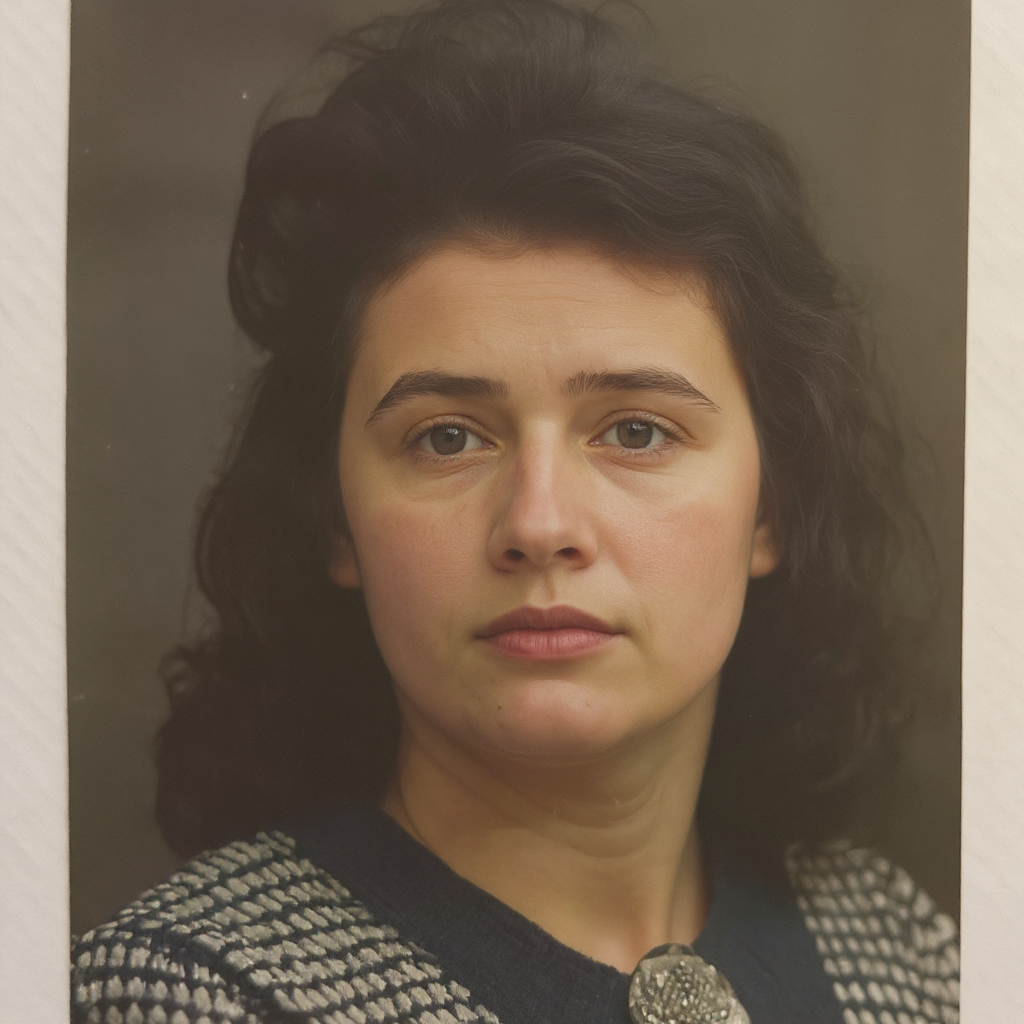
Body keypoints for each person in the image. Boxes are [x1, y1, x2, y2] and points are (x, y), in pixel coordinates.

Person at [70, 1, 958, 1021]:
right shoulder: (186, 994)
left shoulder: (899, 951)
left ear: (774, 505)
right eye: (448, 437)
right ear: (333, 516)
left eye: (636, 430)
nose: (539, 524)